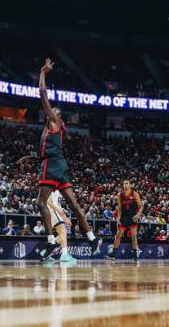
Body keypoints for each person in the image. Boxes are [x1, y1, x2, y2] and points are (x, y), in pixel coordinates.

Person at [28, 59, 101, 262]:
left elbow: (43, 94)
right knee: (74, 204)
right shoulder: (51, 131)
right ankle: (92, 238)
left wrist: (43, 73)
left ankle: (51, 242)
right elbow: (48, 151)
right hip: (58, 164)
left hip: (52, 165)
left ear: (58, 118)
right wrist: (31, 157)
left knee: (41, 202)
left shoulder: (54, 122)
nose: (52, 113)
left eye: (56, 113)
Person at [107, 180, 143, 262]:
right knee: (118, 234)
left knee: (134, 235)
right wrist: (118, 218)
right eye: (124, 183)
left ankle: (135, 256)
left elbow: (141, 206)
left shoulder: (134, 194)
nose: (125, 185)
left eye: (127, 183)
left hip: (133, 216)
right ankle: (113, 254)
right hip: (124, 217)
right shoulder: (120, 195)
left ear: (130, 185)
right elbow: (119, 208)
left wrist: (138, 215)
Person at [44, 190, 76, 265]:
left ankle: (46, 252)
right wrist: (58, 210)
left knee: (62, 234)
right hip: (52, 211)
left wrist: (65, 218)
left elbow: (58, 205)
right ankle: (64, 255)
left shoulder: (58, 191)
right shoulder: (51, 187)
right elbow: (47, 201)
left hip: (55, 211)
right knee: (63, 231)